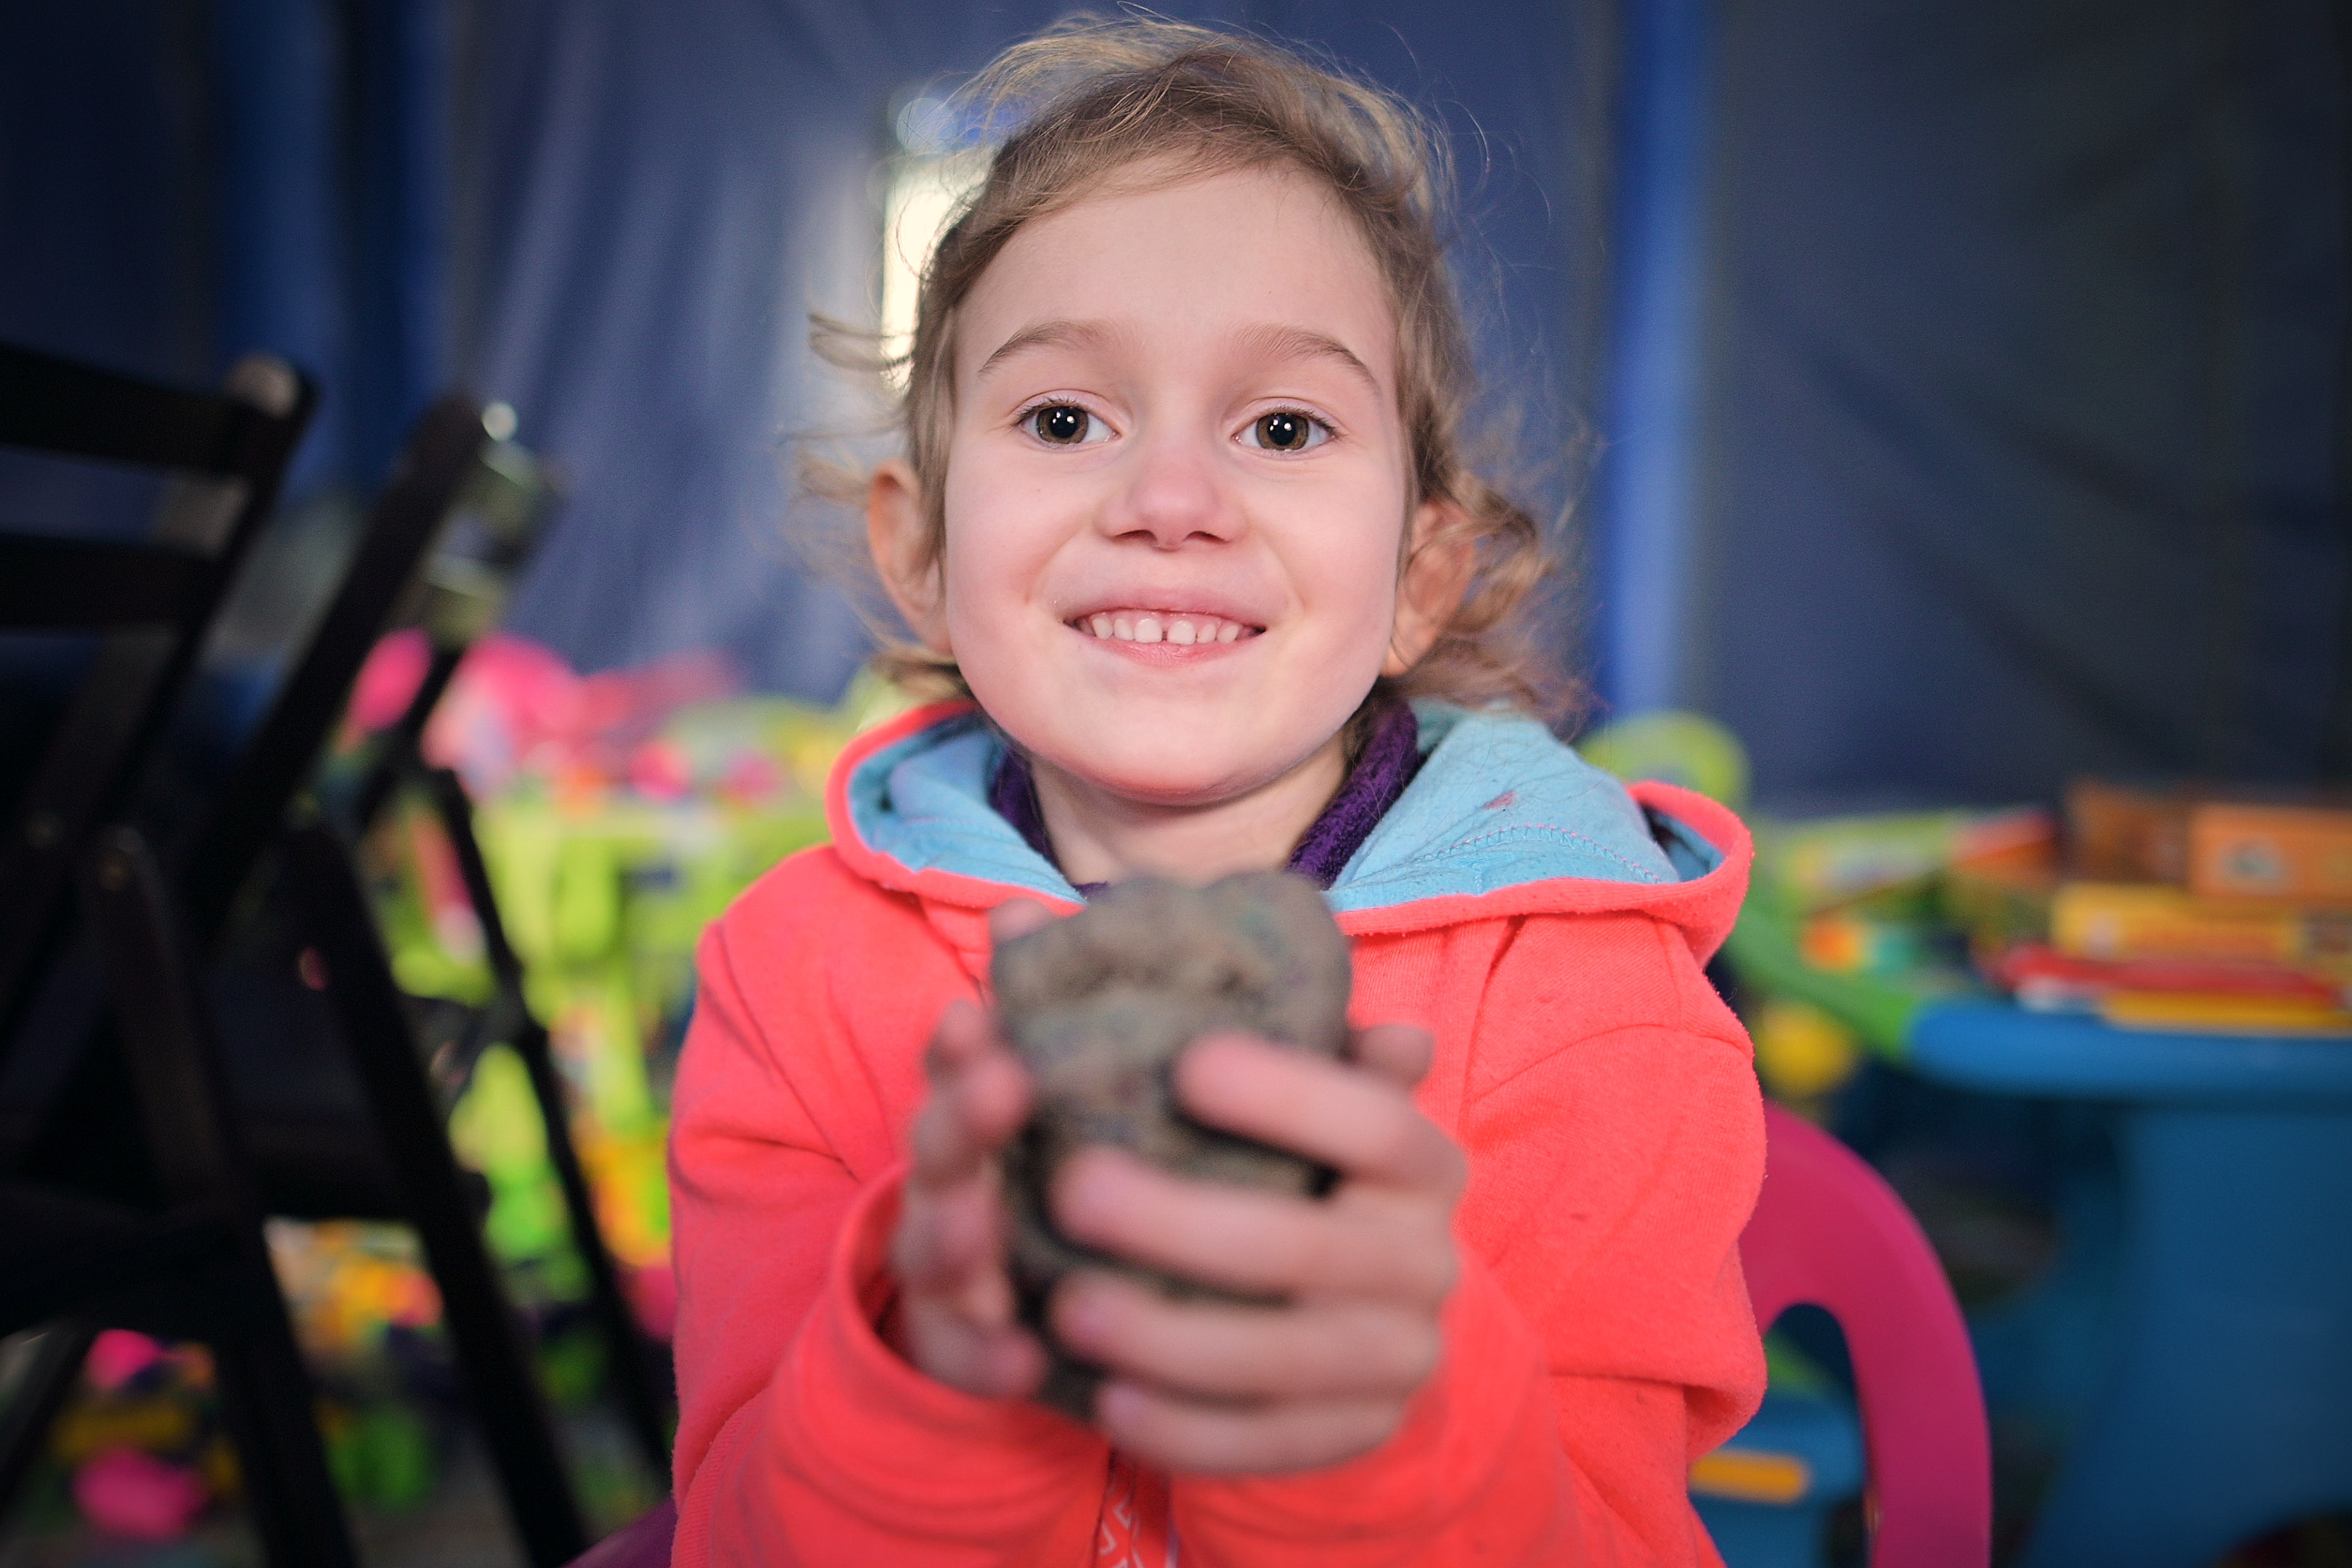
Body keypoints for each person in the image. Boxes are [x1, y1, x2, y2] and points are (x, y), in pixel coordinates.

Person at [667, 18, 1765, 1565]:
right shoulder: (792, 982)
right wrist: (932, 1371)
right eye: (1065, 420)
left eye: (1283, 427)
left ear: (1418, 576)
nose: (1171, 501)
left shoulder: (1593, 1002)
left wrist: (1371, 1420)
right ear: (917, 551)